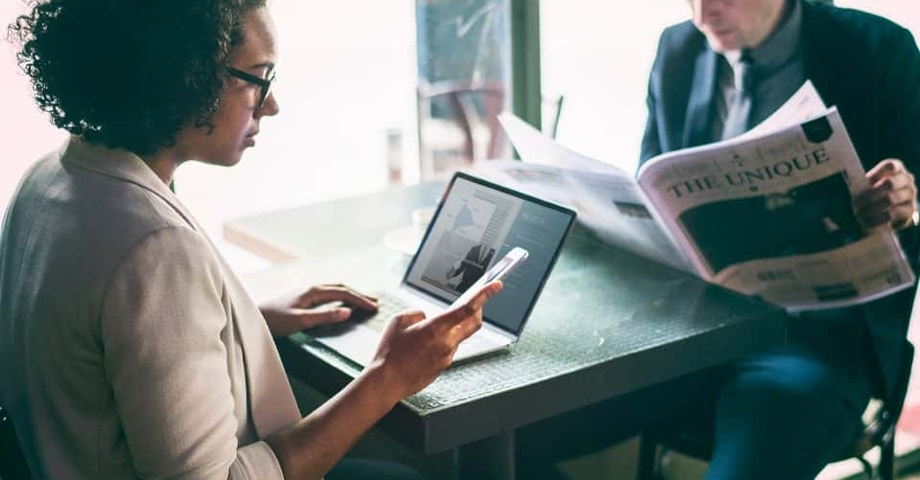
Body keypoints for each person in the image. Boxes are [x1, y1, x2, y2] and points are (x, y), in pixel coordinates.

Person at [0, 1, 502, 479]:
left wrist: (240, 323)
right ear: (185, 78)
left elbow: (108, 352)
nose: (273, 104)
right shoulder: (155, 247)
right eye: (259, 80)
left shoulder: (50, 180)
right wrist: (390, 376)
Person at [641, 0, 920, 478]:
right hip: (688, 332)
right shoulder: (677, 48)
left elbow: (911, 183)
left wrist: (902, 199)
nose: (703, 10)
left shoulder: (879, 49)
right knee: (514, 429)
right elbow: (650, 186)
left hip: (816, 341)